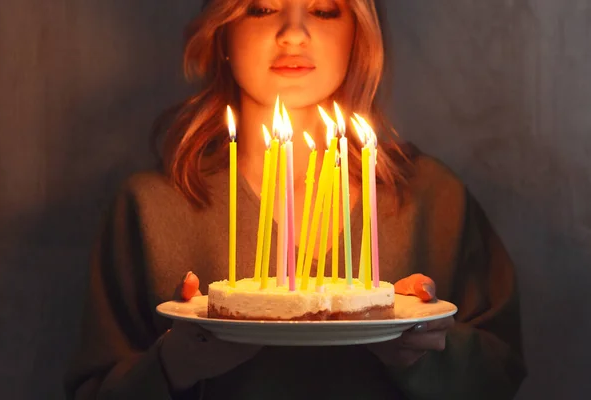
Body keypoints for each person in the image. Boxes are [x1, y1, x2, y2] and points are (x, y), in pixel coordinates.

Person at [64, 0, 527, 399]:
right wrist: (172, 366)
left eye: (324, 10)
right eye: (262, 8)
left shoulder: (432, 201)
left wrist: (424, 351)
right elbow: (95, 388)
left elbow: (500, 371)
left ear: (359, 36)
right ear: (222, 29)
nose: (293, 34)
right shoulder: (151, 208)